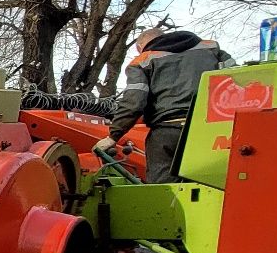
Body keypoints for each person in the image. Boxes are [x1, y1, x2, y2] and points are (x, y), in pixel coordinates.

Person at [93, 25, 231, 183]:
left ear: (140, 47)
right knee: (214, 184)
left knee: (164, 190)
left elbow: (134, 102)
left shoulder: (143, 61)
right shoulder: (212, 48)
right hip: (210, 131)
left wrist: (113, 136)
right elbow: (237, 83)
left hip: (166, 133)